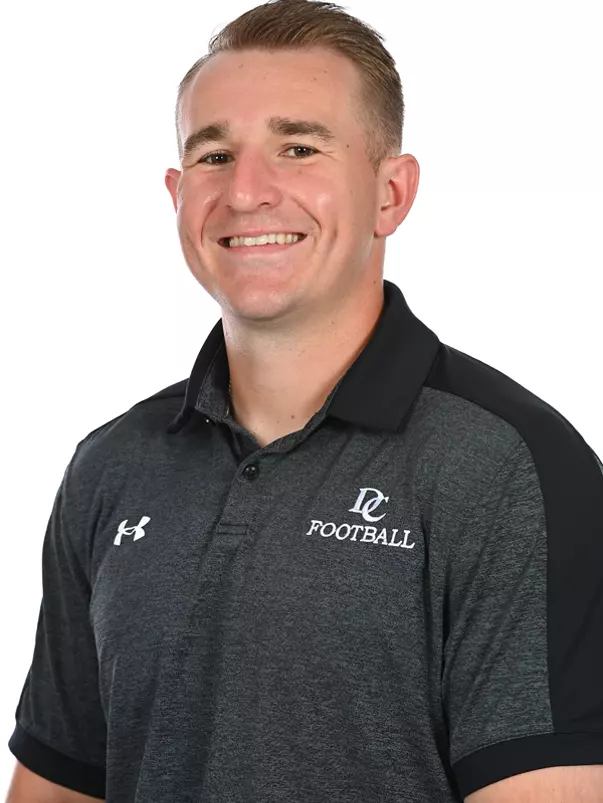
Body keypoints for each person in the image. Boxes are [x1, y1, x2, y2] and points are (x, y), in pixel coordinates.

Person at [5, 0, 603, 801]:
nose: (247, 192)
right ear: (176, 193)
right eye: (214, 155)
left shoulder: (510, 470)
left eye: (298, 147)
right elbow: (58, 785)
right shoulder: (112, 465)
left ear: (391, 192)